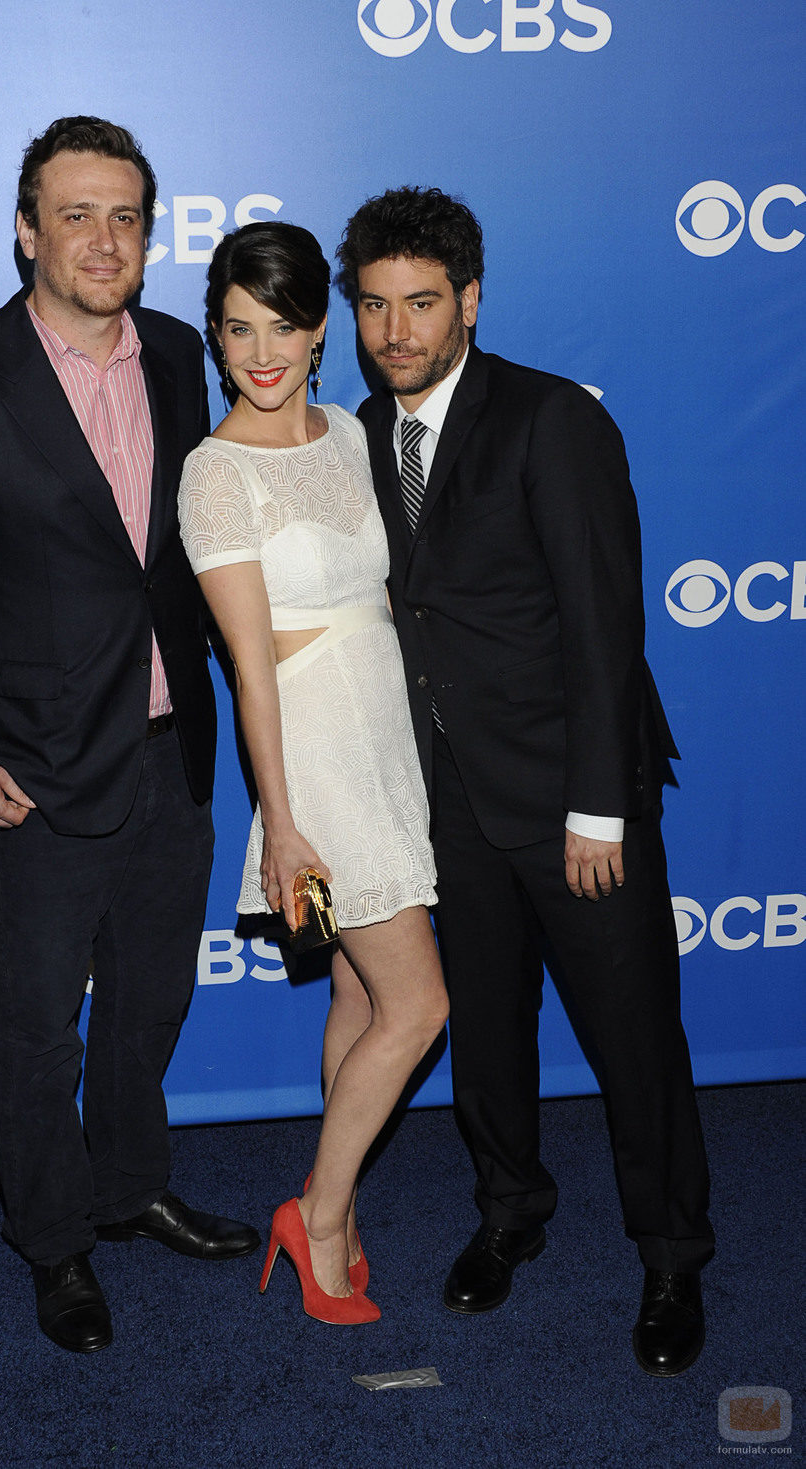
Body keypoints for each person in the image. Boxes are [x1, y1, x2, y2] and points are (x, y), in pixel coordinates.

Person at [0, 116, 259, 1356]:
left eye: (125, 215)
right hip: (19, 768)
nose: (103, 238)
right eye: (74, 214)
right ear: (26, 229)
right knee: (35, 1024)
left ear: (150, 232)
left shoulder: (186, 356)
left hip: (165, 745)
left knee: (150, 998)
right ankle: (54, 1240)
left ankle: (129, 1183)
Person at [337, 186, 714, 1375]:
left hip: (570, 800)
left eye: (421, 303)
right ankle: (508, 1212)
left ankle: (668, 1253)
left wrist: (596, 802)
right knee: (487, 1035)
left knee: (631, 1039)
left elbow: (604, 623)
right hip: (442, 798)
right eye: (374, 306)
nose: (396, 330)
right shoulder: (357, 428)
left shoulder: (551, 420)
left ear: (470, 300)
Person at [178, 221, 448, 1325]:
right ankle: (318, 1214)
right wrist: (281, 826)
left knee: (353, 986)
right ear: (214, 333)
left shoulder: (348, 431)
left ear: (317, 327)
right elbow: (248, 667)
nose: (259, 351)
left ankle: (332, 1206)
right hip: (315, 768)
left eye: (279, 325)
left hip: (386, 743)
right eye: (236, 328)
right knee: (419, 1002)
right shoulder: (212, 473)